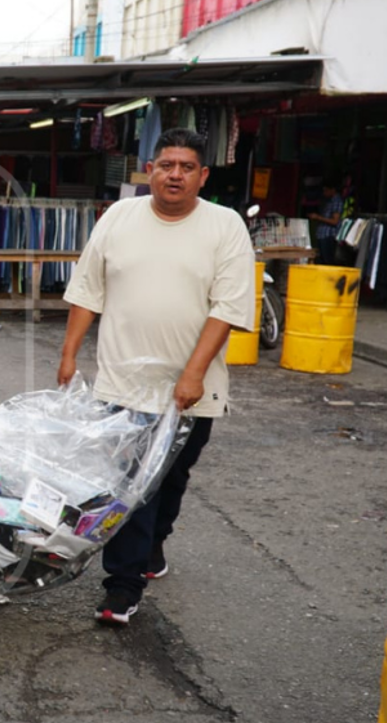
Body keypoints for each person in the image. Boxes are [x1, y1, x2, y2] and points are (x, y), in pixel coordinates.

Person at [56, 128, 255, 627]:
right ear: (150, 169)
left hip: (194, 392)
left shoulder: (225, 226)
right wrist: (68, 356)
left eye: (187, 167)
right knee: (132, 487)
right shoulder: (119, 217)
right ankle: (122, 587)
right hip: (123, 384)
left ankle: (153, 545)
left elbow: (227, 306)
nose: (175, 175)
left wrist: (191, 375)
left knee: (170, 482)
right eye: (166, 165)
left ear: (203, 176)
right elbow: (88, 289)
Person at [309, 178, 346, 266]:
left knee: (327, 261)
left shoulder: (336, 201)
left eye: (326, 190)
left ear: (332, 190)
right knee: (320, 259)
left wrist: (318, 217)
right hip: (322, 235)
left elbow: (335, 221)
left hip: (328, 235)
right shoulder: (327, 200)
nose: (324, 193)